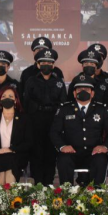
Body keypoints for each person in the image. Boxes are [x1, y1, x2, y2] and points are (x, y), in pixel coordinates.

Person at [50, 75, 108, 186]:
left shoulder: (101, 109)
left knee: (101, 159)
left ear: (92, 93)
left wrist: (104, 147)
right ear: (74, 93)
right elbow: (54, 132)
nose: (83, 92)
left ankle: (97, 195)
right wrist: (62, 146)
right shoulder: (64, 109)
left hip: (93, 153)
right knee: (63, 159)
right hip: (72, 153)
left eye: (86, 89)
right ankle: (67, 194)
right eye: (79, 89)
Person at [23, 49, 67, 185]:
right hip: (36, 120)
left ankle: (48, 183)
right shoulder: (31, 81)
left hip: (54, 120)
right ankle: (38, 182)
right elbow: (25, 103)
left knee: (50, 152)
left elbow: (64, 104)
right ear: (38, 64)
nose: (46, 65)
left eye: (49, 62)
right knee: (36, 152)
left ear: (53, 65)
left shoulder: (59, 81)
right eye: (43, 62)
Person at [0, 86, 32, 185]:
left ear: (16, 100)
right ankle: (8, 194)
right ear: (0, 100)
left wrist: (12, 149)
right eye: (3, 96)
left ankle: (4, 195)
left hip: (17, 155)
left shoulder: (24, 119)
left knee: (9, 159)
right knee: (3, 160)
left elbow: (29, 141)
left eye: (10, 96)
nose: (7, 98)